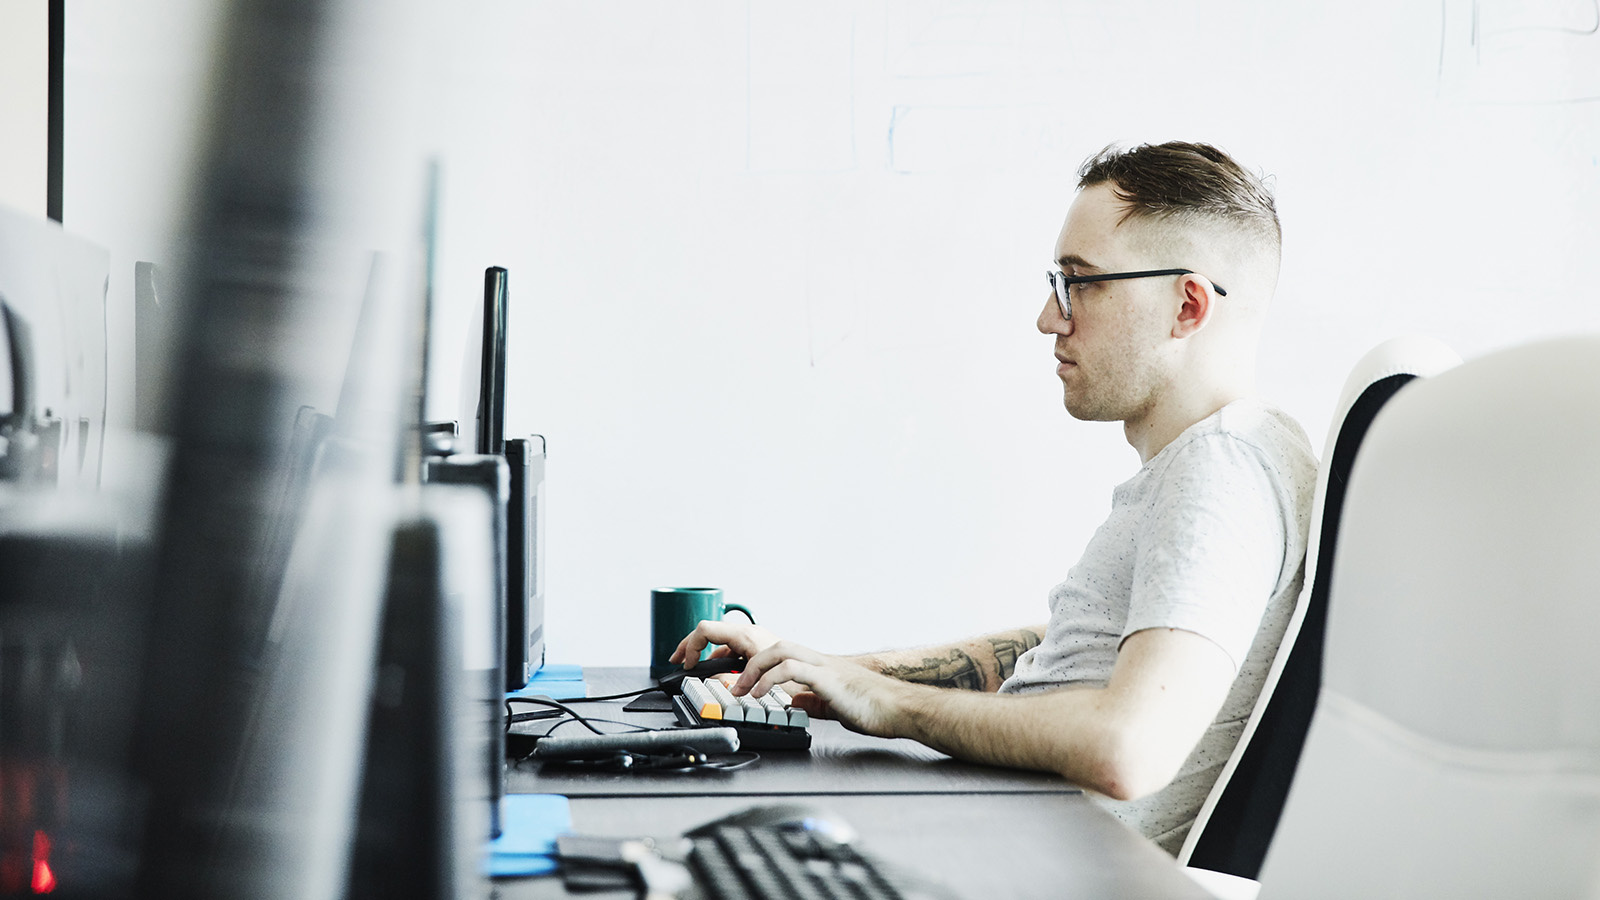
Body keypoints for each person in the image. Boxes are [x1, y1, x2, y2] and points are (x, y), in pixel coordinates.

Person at [672, 141, 1318, 855]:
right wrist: (845, 674)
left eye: (1081, 283)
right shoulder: (1228, 457)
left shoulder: (1220, 470)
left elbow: (1129, 748)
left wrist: (893, 705)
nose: (1049, 317)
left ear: (1187, 305)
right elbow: (1079, 651)